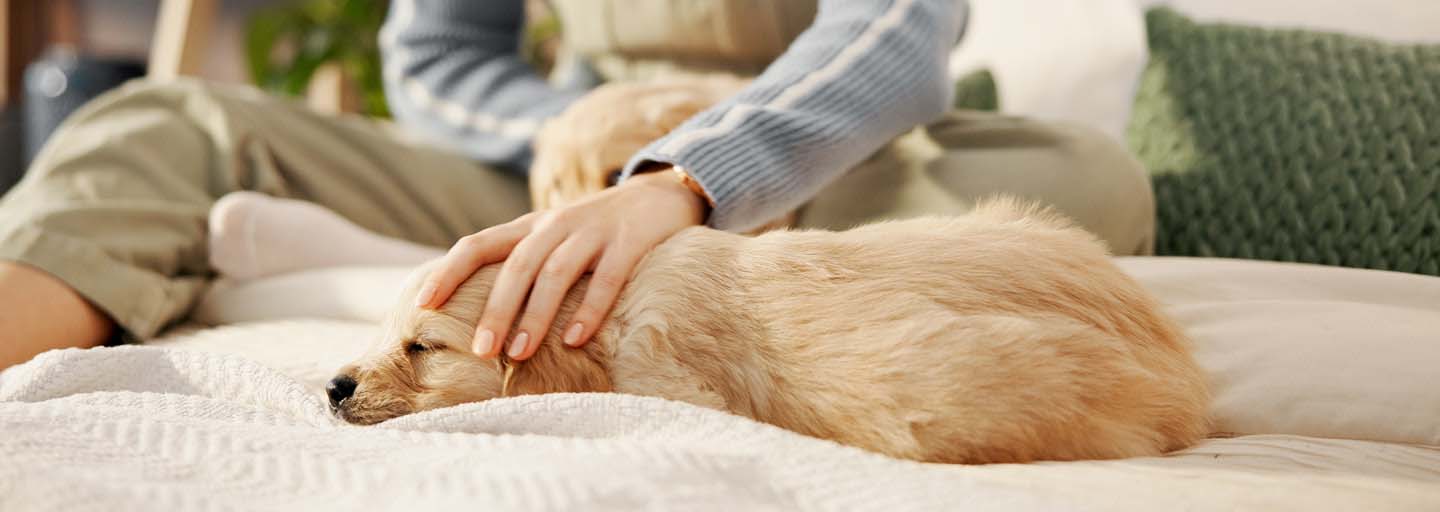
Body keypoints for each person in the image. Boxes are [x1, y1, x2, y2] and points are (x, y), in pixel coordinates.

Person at [0, 0, 1153, 370]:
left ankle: (350, 269)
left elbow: (895, 34)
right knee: (165, 115)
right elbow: (432, 59)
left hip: (816, 166)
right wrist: (582, 124)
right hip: (554, 168)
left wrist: (686, 166)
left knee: (1084, 182)